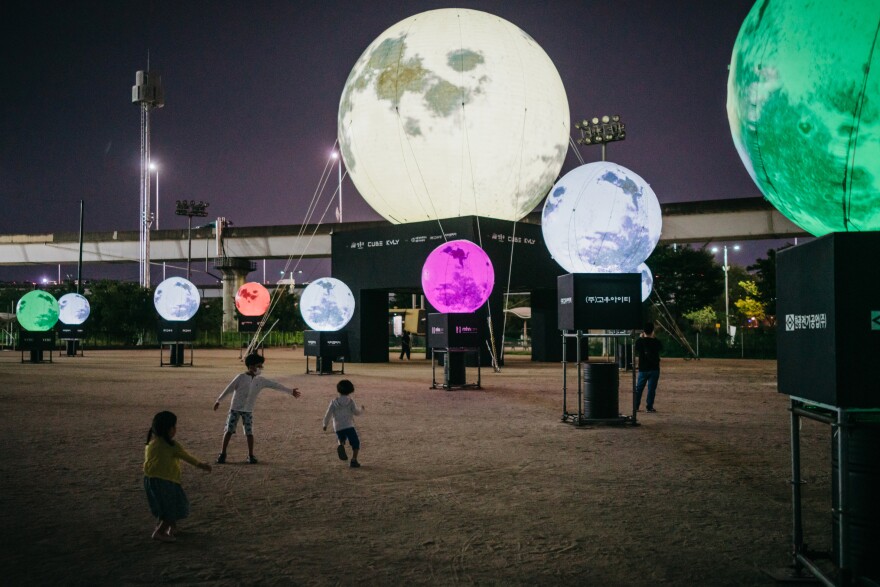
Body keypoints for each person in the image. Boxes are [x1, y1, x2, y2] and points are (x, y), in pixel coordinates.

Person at [213, 353, 300, 464]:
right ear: (250, 366)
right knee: (229, 430)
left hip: (248, 410)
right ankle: (223, 454)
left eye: (261, 366)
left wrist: (290, 391)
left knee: (249, 433)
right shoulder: (240, 377)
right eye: (258, 366)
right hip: (235, 408)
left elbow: (275, 385)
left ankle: (250, 455)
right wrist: (219, 400)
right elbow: (229, 389)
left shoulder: (261, 381)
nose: (260, 368)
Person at [143, 410, 211, 542]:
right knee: (173, 506)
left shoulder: (151, 444)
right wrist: (201, 465)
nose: (175, 429)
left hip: (150, 480)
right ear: (169, 429)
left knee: (164, 505)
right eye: (174, 426)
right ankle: (160, 531)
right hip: (166, 481)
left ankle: (171, 527)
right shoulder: (172, 446)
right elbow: (187, 457)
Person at [322, 379, 365, 468]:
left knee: (341, 438)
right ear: (350, 390)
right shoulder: (350, 401)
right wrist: (362, 409)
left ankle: (340, 444)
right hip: (349, 425)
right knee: (355, 442)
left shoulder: (333, 402)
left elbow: (328, 414)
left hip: (338, 426)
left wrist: (325, 424)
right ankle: (354, 460)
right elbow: (356, 412)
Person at [635, 322, 663, 413]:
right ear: (652, 331)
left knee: (639, 388)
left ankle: (636, 406)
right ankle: (649, 406)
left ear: (644, 331)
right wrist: (653, 337)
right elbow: (660, 347)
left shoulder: (640, 341)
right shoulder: (656, 342)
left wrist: (640, 337)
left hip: (643, 368)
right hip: (654, 368)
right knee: (651, 389)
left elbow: (636, 347)